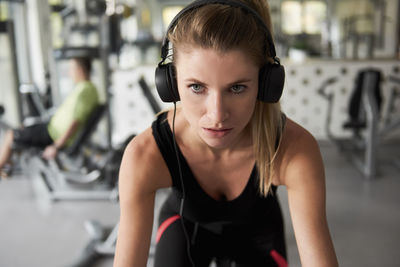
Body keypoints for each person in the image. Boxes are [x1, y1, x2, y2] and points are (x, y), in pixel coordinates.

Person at [113, 0, 338, 266]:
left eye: (237, 88)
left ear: (266, 84)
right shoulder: (145, 155)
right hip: (184, 228)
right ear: (171, 84)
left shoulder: (294, 149)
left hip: (260, 233)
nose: (217, 115)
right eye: (197, 87)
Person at [0, 57, 99, 178]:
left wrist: (56, 146)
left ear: (79, 69)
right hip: (50, 129)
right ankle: (6, 165)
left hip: (52, 135)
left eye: (71, 69)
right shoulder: (87, 89)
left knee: (11, 135)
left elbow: (75, 122)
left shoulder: (85, 90)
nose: (69, 73)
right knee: (21, 129)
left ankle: (2, 166)